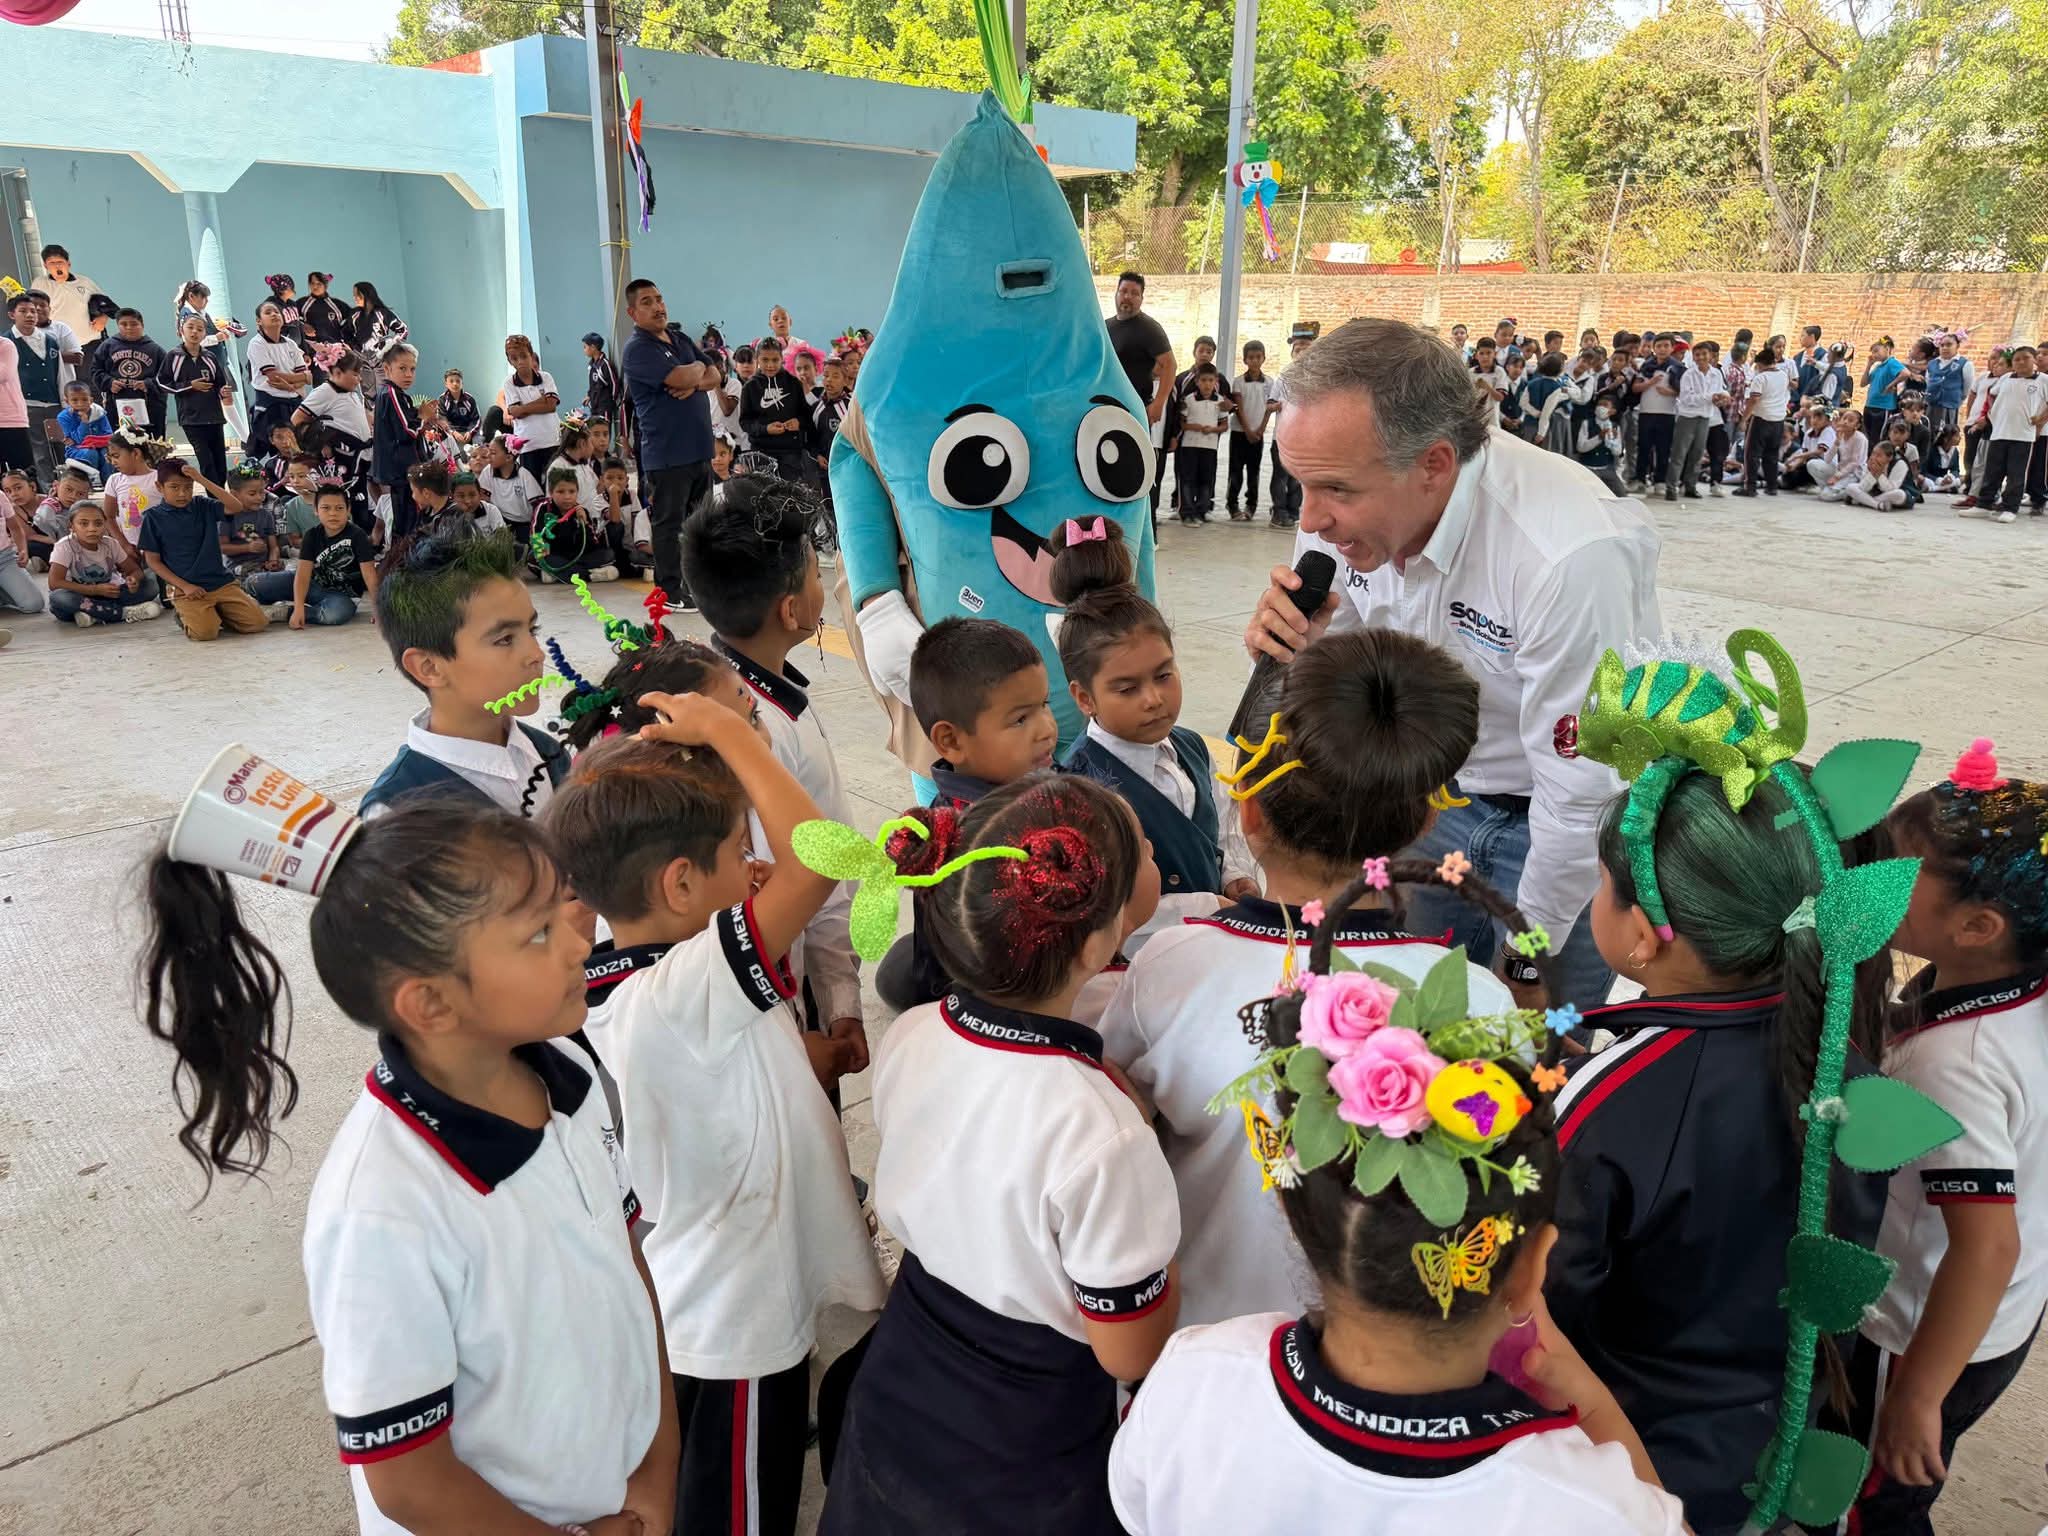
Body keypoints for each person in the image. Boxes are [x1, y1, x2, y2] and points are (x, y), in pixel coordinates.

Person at [138, 791, 678, 1536]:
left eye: (566, 907)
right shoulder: (383, 1210)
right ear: (429, 1005)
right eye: (538, 933)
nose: (580, 941)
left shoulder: (568, 1071)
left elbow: (628, 1267)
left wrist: (655, 1473)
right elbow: (408, 1480)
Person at [1107, 890, 1683, 1536]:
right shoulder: (1591, 1507)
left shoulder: (1195, 1381)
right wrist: (1591, 1401)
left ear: (1302, 1224)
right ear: (1528, 1272)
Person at [1097, 627, 1512, 1326]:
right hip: (1385, 1365)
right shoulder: (1479, 1001)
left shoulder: (1172, 965)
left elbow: (1115, 1117)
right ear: (1419, 825)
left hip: (1200, 1347)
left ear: (1249, 812)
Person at [1244, 317, 1661, 1011]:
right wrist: (1297, 649)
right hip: (1428, 801)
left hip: (1559, 833)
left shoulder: (1566, 555)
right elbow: (1338, 676)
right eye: (1301, 485)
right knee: (1401, 1028)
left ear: (1435, 464)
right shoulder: (1345, 493)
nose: (1309, 519)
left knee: (1529, 1064)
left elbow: (1579, 789)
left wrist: (1530, 955)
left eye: (1337, 492)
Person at [553, 703, 883, 1536]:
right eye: (742, 853)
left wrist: (808, 1059)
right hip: (734, 1319)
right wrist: (731, 736)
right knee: (739, 1510)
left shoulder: (638, 979)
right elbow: (823, 858)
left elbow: (724, 1076)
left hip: (714, 1295)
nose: (759, 868)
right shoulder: (675, 993)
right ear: (680, 885)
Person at [820, 774, 1179, 1536]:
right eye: (1140, 848)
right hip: (1030, 1430)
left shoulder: (914, 1033)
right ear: (1097, 941)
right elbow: (1129, 1348)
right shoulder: (1103, 1132)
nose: (1152, 850)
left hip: (907, 1367)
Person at [1548, 767, 1890, 1532]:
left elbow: (1552, 1298)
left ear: (1641, 936)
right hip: (1778, 1436)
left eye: (1605, 883)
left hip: (1629, 1456)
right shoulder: (1841, 1060)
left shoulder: (1605, 1095)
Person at [1825, 741, 2048, 1534]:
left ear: (1979, 926)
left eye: (1893, 872)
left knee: (1875, 1501)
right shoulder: (2011, 990)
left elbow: (1985, 1246)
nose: (1865, 878)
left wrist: (1916, 1395)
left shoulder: (1955, 1063)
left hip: (1917, 1334)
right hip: (2000, 1322)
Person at [677, 474, 867, 1052]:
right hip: (778, 1010)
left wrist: (842, 998)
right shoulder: (756, 729)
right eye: (816, 575)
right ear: (792, 610)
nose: (822, 583)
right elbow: (780, 887)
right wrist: (824, 1012)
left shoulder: (754, 696)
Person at [1054, 517, 1243, 899]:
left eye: (1163, 675)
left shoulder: (1193, 749)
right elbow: (1102, 909)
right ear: (1084, 698)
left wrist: (1236, 877)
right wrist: (1210, 909)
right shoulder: (1080, 791)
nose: (1153, 699)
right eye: (1127, 689)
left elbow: (1222, 828)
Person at [361, 519, 569, 817]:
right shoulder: (398, 812)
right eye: (505, 639)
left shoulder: (549, 754)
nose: (536, 654)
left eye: (532, 630)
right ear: (429, 667)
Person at [621, 278, 721, 613]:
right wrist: (694, 373)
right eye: (647, 301)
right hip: (667, 454)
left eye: (660, 298)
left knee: (700, 524)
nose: (657, 306)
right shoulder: (638, 349)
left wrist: (694, 377)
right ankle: (669, 591)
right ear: (633, 312)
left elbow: (715, 374)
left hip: (699, 449)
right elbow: (682, 377)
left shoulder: (678, 338)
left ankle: (697, 584)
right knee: (669, 526)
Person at [136, 458, 271, 642]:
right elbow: (153, 560)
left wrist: (201, 479)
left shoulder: (203, 505)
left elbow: (236, 506)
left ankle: (216, 612)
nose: (182, 493)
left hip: (219, 581)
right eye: (174, 487)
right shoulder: (153, 518)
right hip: (186, 588)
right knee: (205, 633)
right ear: (160, 487)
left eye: (188, 487)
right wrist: (184, 586)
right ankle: (188, 616)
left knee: (257, 623)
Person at [254, 481, 379, 629]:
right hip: (311, 585)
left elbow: (369, 574)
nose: (333, 513)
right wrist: (300, 605)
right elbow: (302, 574)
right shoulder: (311, 535)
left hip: (341, 596)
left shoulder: (358, 535)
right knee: (255, 583)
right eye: (326, 508)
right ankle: (250, 604)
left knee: (336, 614)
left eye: (339, 508)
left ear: (348, 510)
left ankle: (284, 612)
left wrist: (378, 609)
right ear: (316, 510)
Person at [1105, 272, 1176, 518]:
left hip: (1136, 411)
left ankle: (1146, 527)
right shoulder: (1105, 327)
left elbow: (1169, 365)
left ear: (1141, 298)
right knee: (1107, 467)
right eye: (1124, 291)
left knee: (1136, 470)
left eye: (1135, 293)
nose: (1128, 297)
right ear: (1116, 293)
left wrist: (1158, 404)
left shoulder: (1149, 328)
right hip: (1106, 410)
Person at [45, 497, 162, 627]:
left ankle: (95, 615)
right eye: (83, 524)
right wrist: (94, 590)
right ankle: (124, 613)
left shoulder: (110, 544)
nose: (92, 529)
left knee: (151, 585)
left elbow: (134, 570)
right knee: (59, 598)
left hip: (109, 594)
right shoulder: (64, 546)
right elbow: (54, 583)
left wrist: (132, 580)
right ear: (71, 526)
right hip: (80, 596)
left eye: (98, 523)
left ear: (105, 525)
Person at [293, 351, 373, 525]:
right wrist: (322, 441)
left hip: (359, 455)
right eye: (355, 374)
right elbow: (297, 419)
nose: (358, 379)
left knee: (359, 498)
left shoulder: (352, 392)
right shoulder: (324, 392)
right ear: (337, 373)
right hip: (340, 456)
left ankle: (361, 536)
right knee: (341, 499)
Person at [158, 314, 234, 486]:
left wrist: (224, 391)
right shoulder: (173, 356)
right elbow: (162, 383)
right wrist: (189, 385)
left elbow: (220, 383)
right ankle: (214, 500)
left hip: (214, 417)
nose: (194, 332)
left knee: (220, 464)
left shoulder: (210, 357)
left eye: (200, 329)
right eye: (190, 327)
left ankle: (222, 501)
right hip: (192, 419)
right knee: (206, 463)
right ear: (181, 331)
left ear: (205, 333)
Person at [1973, 345, 2047, 524]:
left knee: (2016, 473)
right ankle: (1983, 505)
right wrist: (1993, 414)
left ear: (2034, 360)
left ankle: (2010, 507)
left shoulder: (2043, 380)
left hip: (2023, 435)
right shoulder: (2005, 378)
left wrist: (2041, 420)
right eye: (2016, 359)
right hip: (2000, 432)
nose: (2021, 362)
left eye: (2025, 358)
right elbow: (1992, 395)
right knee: (1993, 470)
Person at [373, 344, 438, 543]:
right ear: (387, 369)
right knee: (407, 521)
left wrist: (420, 417)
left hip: (401, 469)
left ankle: (402, 557)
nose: (408, 374)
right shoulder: (392, 394)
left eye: (412, 369)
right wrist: (423, 417)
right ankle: (402, 560)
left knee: (407, 518)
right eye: (402, 368)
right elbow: (407, 431)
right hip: (401, 469)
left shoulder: (395, 394)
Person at [8, 293, 66, 489]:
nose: (30, 315)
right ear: (11, 315)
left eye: (33, 311)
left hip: (53, 402)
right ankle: (48, 489)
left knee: (61, 446)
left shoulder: (50, 340)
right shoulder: (6, 342)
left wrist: (64, 401)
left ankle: (65, 487)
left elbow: (60, 372)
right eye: (23, 311)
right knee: (39, 450)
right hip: (26, 405)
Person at [1264, 320, 1318, 529]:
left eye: (1306, 349)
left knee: (1299, 477)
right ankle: (1279, 512)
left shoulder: (1317, 379)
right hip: (1283, 437)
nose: (1301, 353)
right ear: (1292, 353)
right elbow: (1269, 405)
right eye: (1298, 349)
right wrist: (1278, 405)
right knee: (1280, 476)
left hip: (1307, 439)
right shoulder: (1284, 378)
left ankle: (1293, 512)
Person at [531, 468, 618, 584]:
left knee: (608, 555)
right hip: (554, 554)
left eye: (572, 492)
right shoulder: (543, 509)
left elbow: (592, 545)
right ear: (551, 493)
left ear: (577, 492)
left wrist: (584, 523)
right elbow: (536, 537)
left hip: (577, 556)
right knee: (534, 558)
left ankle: (558, 574)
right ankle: (589, 575)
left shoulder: (581, 511)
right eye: (561, 492)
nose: (567, 497)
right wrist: (542, 551)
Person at [246, 300, 312, 448]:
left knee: (300, 446)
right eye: (268, 312)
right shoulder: (257, 344)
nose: (274, 314)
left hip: (295, 402)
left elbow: (303, 373)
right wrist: (305, 378)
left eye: (276, 312)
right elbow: (273, 376)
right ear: (259, 321)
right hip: (271, 405)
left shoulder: (290, 344)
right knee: (281, 448)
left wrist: (292, 385)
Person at [92, 308, 167, 438]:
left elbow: (167, 377)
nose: (129, 328)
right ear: (117, 326)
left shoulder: (156, 350)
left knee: (150, 446)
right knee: (120, 443)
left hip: (150, 407)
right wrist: (109, 382)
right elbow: (95, 370)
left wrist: (148, 384)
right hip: (117, 405)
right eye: (124, 324)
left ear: (142, 325)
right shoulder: (107, 347)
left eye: (134, 324)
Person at [1668, 339, 1727, 500]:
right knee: (1680, 453)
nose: (1700, 357)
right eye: (1697, 354)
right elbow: (1687, 398)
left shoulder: (1716, 374)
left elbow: (1719, 391)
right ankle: (1671, 486)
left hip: (1706, 416)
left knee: (1697, 453)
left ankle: (1690, 485)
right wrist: (1710, 397)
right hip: (1688, 416)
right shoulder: (1689, 374)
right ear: (1693, 357)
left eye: (1704, 354)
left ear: (1711, 356)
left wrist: (1721, 399)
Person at [1173, 363, 1226, 523]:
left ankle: (1201, 511)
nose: (1207, 384)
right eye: (1203, 380)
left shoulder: (1220, 401)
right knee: (1188, 479)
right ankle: (1187, 511)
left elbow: (1224, 425)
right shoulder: (1189, 400)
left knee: (1206, 479)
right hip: (1189, 446)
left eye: (1210, 380)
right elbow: (1181, 423)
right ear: (1197, 381)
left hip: (1209, 447)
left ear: (1216, 381)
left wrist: (1213, 430)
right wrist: (1194, 427)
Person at [1738, 337, 1790, 497]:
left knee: (1752, 454)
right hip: (1778, 420)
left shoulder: (1760, 378)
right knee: (1772, 454)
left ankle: (1750, 486)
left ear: (1760, 364)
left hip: (1761, 419)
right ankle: (1771, 485)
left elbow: (1754, 400)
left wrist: (1743, 419)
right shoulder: (1783, 375)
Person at [99, 421, 167, 541]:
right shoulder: (114, 481)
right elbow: (109, 516)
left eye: (116, 456)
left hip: (160, 547)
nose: (113, 462)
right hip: (129, 549)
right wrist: (124, 545)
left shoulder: (159, 478)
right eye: (111, 457)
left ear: (136, 453)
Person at [1227, 339, 1271, 521]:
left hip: (1258, 434)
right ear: (1245, 360)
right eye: (1250, 357)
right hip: (1239, 433)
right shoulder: (1238, 382)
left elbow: (1269, 408)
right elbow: (1239, 408)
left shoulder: (1269, 382)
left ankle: (1251, 505)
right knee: (1235, 471)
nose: (1254, 360)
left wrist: (1260, 430)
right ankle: (1233, 505)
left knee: (1254, 472)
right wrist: (1248, 430)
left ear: (1263, 358)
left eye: (1258, 357)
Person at [215, 463, 283, 579]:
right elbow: (222, 547)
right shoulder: (227, 517)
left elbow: (273, 546)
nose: (259, 497)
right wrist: (247, 548)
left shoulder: (266, 515)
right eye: (252, 494)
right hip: (238, 567)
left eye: (262, 492)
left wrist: (273, 560)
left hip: (263, 565)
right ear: (234, 494)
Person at [1630, 334, 1680, 489]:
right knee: (1643, 447)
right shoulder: (1646, 366)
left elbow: (1683, 391)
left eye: (1666, 346)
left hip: (1667, 413)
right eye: (1659, 346)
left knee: (1663, 448)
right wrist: (1650, 382)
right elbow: (1635, 388)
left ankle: (1660, 481)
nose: (1662, 349)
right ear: (1654, 348)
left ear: (1672, 348)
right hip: (1646, 411)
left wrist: (1669, 392)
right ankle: (1640, 479)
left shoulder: (1677, 367)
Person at [477, 433, 542, 541]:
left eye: (493, 453)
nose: (488, 455)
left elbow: (538, 506)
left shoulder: (524, 475)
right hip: (500, 522)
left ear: (508, 457)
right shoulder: (488, 472)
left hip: (524, 525)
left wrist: (536, 532)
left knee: (533, 550)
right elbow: (484, 499)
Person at [0, 473, 45, 615]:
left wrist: (22, 550)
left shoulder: (0, 496)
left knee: (34, 604)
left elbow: (15, 528)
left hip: (4, 558)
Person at [56, 379, 110, 483]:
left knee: (107, 453)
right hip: (75, 449)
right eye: (75, 400)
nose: (80, 404)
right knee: (91, 453)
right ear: (67, 401)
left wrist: (94, 441)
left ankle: (108, 483)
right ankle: (91, 483)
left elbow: (108, 434)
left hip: (100, 446)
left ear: (91, 400)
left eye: (85, 399)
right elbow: (78, 440)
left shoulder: (99, 412)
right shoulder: (64, 417)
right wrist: (84, 422)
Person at [1829, 440, 1910, 510]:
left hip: (1890, 494)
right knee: (1851, 487)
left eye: (1879, 455)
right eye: (1873, 453)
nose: (1874, 457)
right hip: (1873, 493)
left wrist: (1879, 474)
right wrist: (1872, 473)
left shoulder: (1900, 464)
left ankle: (1862, 501)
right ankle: (1877, 505)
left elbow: (1891, 489)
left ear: (1889, 457)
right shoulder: (1870, 463)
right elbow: (1863, 488)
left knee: (1900, 494)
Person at [1780, 403, 1837, 489]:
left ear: (1828, 421)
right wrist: (1794, 465)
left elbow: (1819, 451)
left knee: (1811, 462)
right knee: (1793, 473)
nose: (1815, 421)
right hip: (1814, 463)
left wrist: (1795, 457)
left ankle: (1824, 486)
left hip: (1828, 465)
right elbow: (1805, 455)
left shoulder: (1828, 431)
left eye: (1819, 418)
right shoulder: (1808, 433)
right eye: (1813, 417)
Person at [1863, 335, 1906, 445]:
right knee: (1868, 436)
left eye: (1876, 351)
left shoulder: (1891, 363)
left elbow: (1905, 373)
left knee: (1878, 437)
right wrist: (1869, 365)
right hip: (1870, 404)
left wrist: (1891, 385)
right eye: (1872, 352)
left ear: (1887, 349)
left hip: (1883, 407)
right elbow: (1863, 383)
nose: (1874, 355)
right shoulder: (1878, 367)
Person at [299, 272, 349, 354]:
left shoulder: (337, 305)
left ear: (325, 285)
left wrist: (344, 334)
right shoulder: (302, 303)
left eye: (319, 284)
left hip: (335, 349)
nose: (315, 286)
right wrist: (302, 325)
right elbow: (291, 320)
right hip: (311, 350)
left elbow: (353, 319)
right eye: (312, 283)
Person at [582, 331, 621, 425]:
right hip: (595, 407)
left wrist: (611, 402)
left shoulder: (604, 364)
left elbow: (614, 384)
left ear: (593, 347)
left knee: (604, 432)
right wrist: (589, 396)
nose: (584, 350)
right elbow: (593, 385)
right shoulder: (592, 365)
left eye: (585, 347)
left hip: (605, 407)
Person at [436, 369, 480, 453]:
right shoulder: (442, 399)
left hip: (466, 433)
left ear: (462, 383)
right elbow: (442, 420)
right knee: (449, 454)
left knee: (465, 454)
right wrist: (453, 432)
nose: (455, 384)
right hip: (450, 433)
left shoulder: (469, 399)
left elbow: (476, 419)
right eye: (451, 381)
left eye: (457, 381)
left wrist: (470, 433)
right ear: (446, 384)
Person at [1925, 424, 1964, 492]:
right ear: (1946, 439)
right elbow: (1924, 472)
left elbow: (1956, 470)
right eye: (1956, 436)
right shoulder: (1932, 451)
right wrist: (1939, 480)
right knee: (1927, 483)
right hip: (1932, 479)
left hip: (1946, 481)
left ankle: (1938, 488)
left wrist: (1951, 477)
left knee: (1962, 479)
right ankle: (1941, 488)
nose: (1960, 438)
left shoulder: (1955, 452)